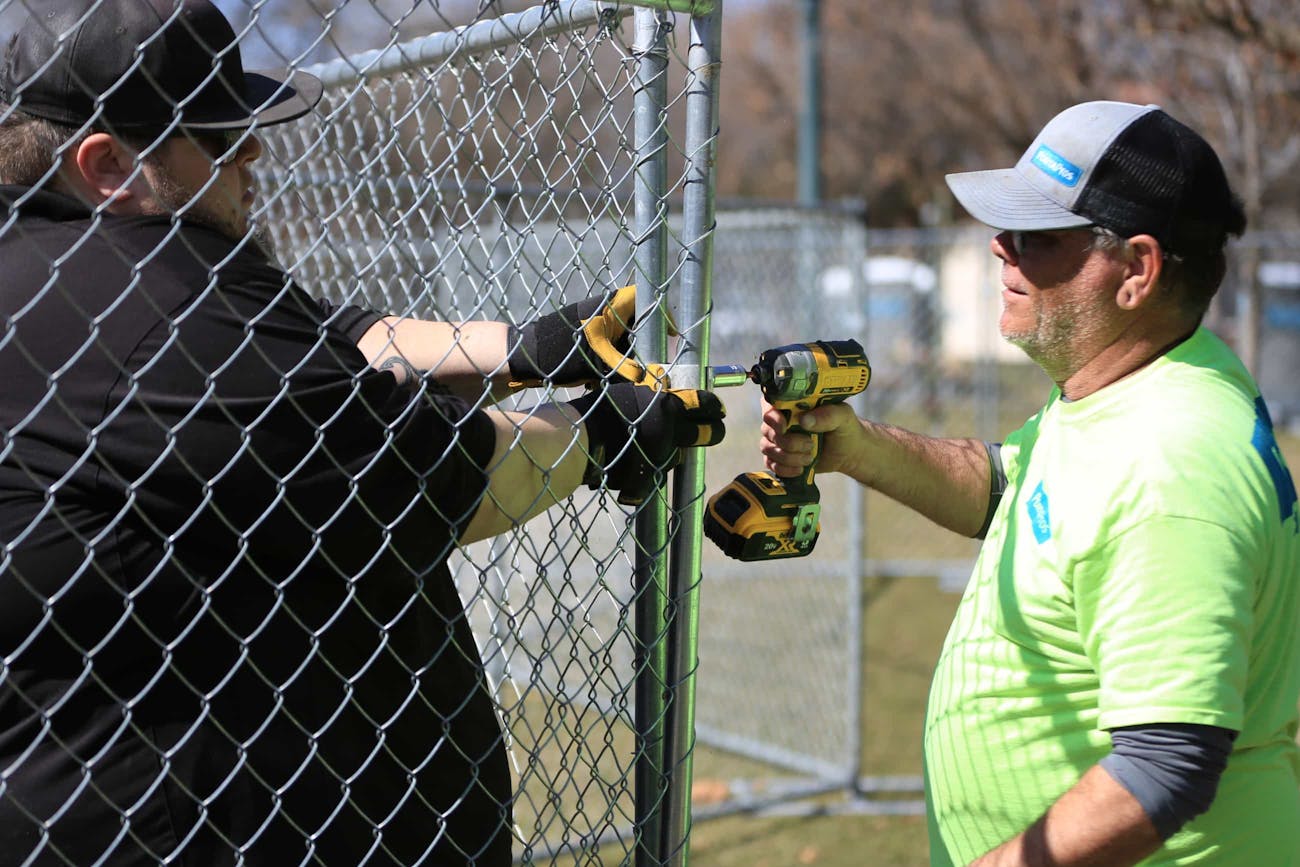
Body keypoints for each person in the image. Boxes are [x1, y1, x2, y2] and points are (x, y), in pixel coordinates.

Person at [0, 1, 725, 864]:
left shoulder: (62, 263)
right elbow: (448, 476)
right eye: (221, 134)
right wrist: (607, 428)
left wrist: (525, 348)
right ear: (110, 163)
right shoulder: (159, 323)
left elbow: (321, 334)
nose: (254, 150)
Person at [762, 101, 1299, 866]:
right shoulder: (1141, 380)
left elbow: (1165, 766)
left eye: (1037, 237)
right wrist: (855, 446)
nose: (999, 248)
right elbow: (1015, 488)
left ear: (1137, 270)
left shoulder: (1169, 462)